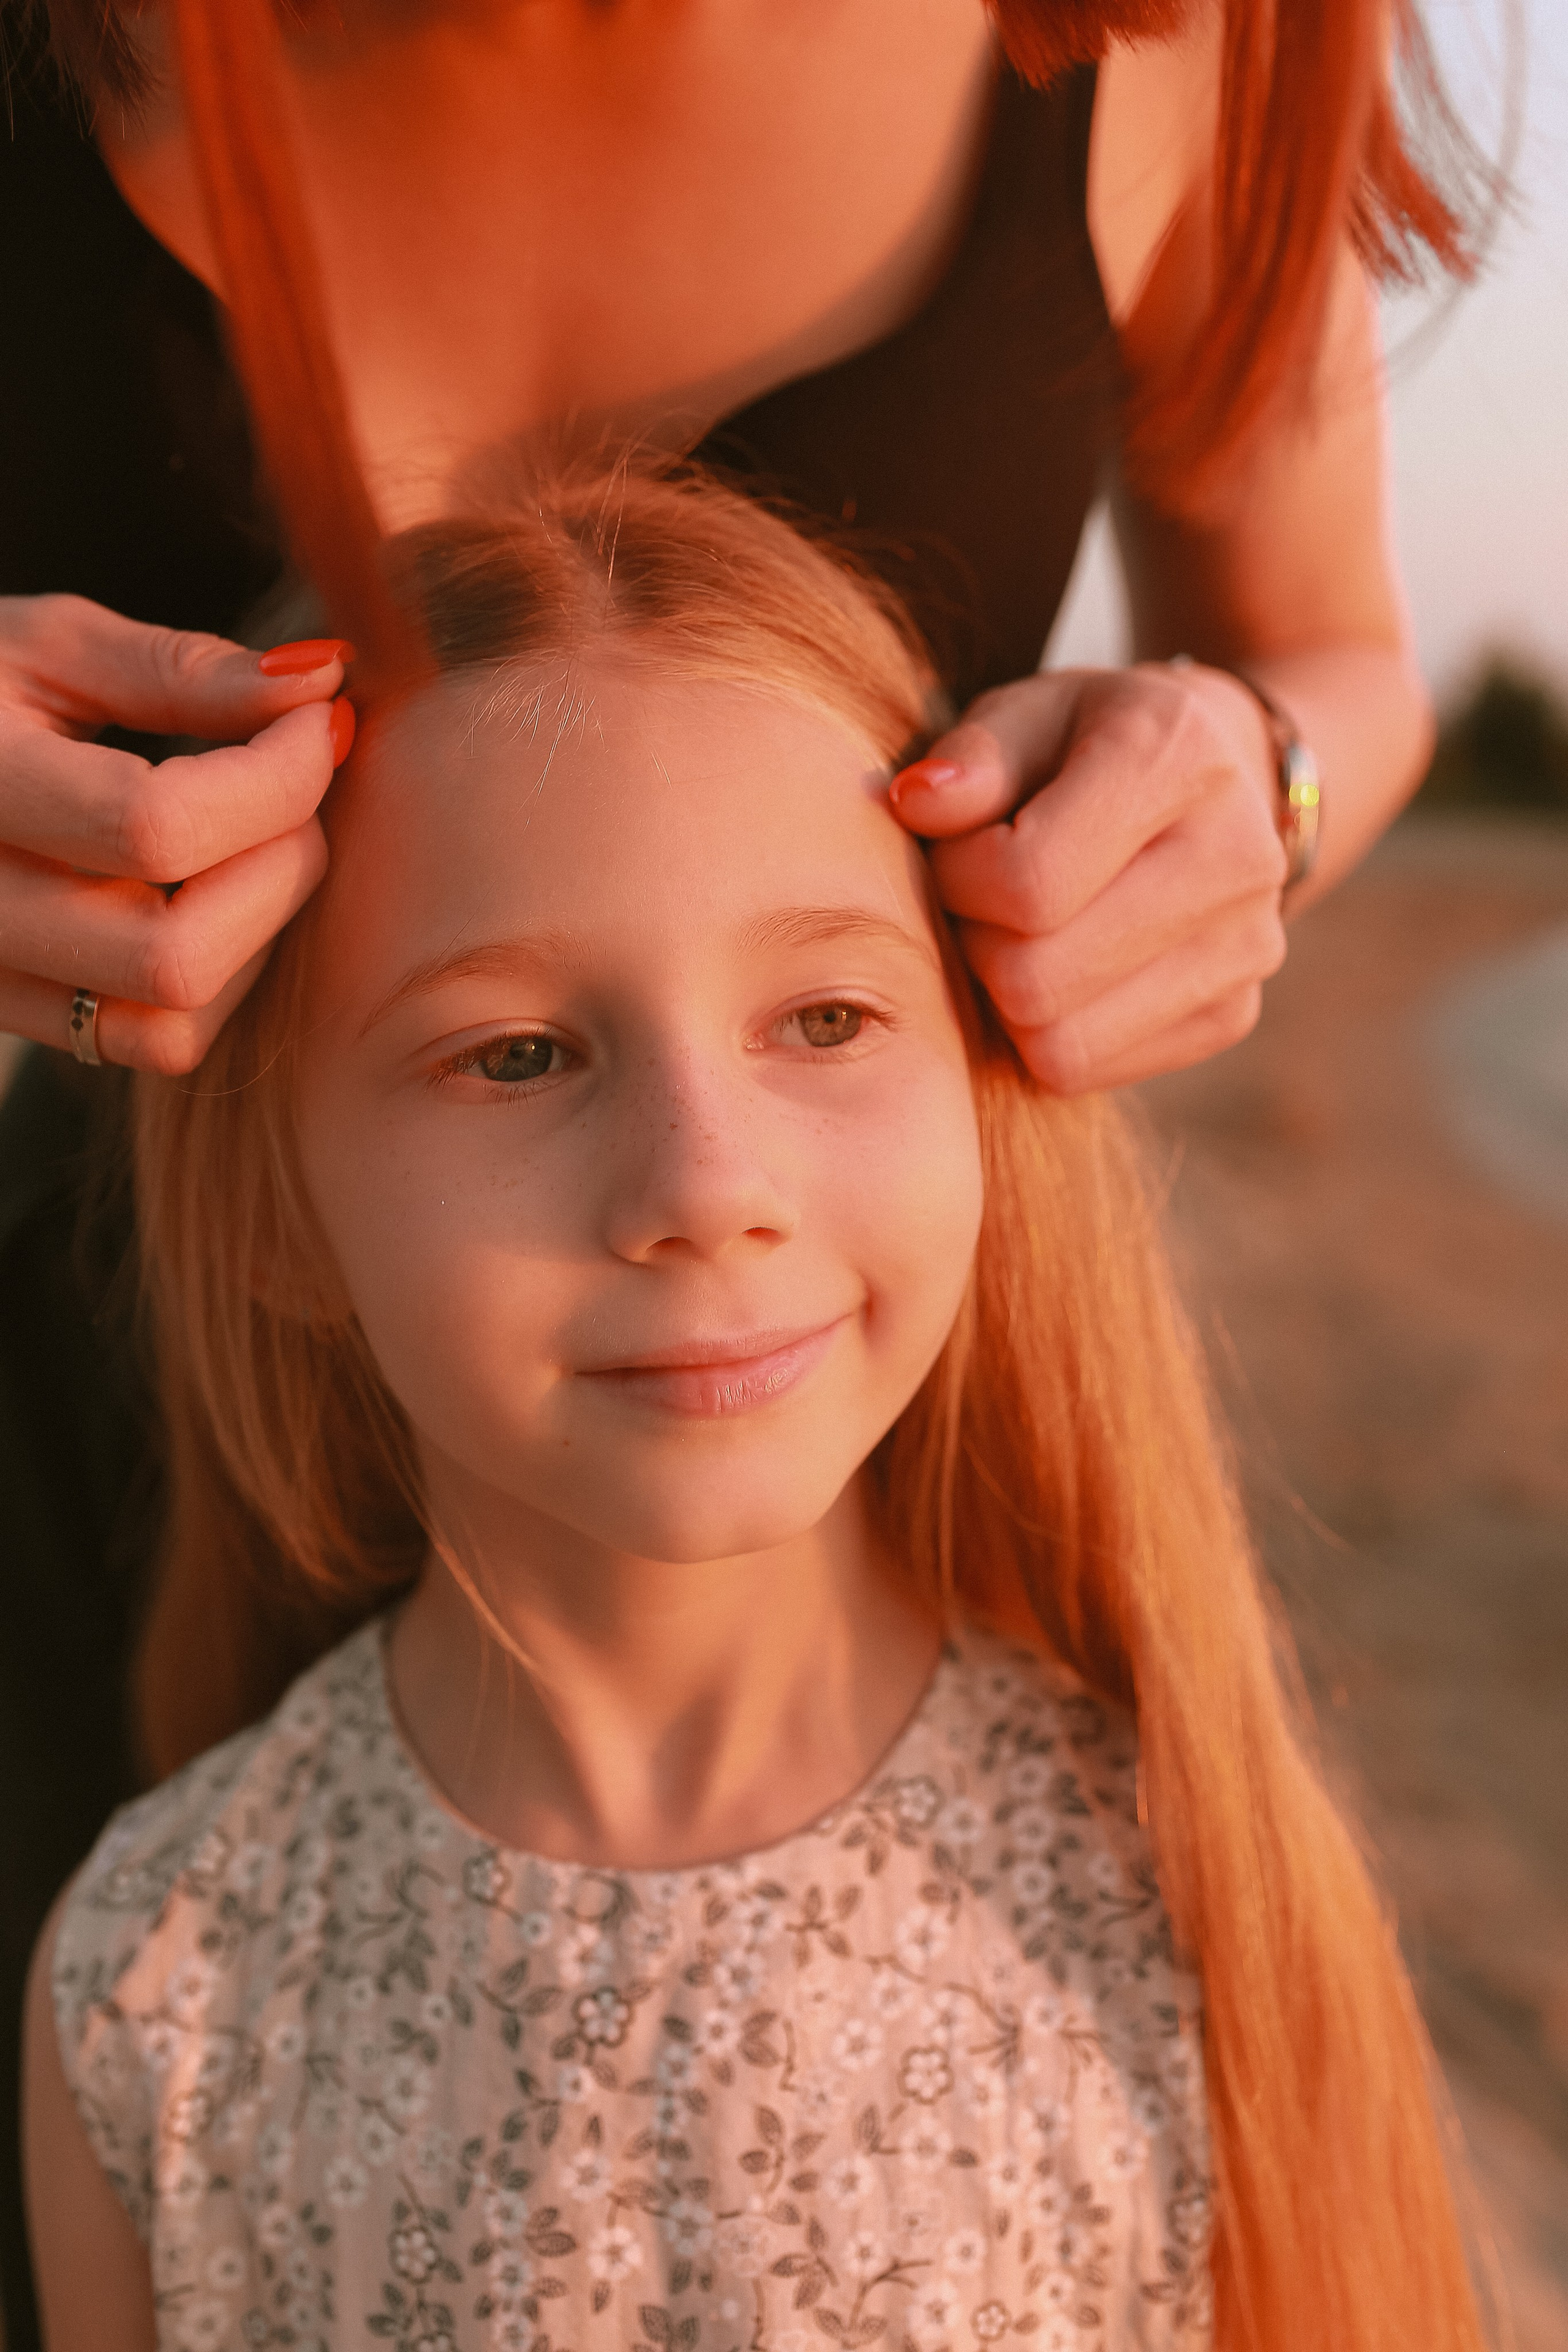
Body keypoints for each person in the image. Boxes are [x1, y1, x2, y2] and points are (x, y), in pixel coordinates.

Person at [0, 0, 1483, 2336]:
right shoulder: (158, 1981)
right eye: (516, 1052)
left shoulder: (1161, 1898)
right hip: (86, 1493)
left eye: (818, 1016)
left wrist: (1256, 787)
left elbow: (1321, 657)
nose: (704, 1179)